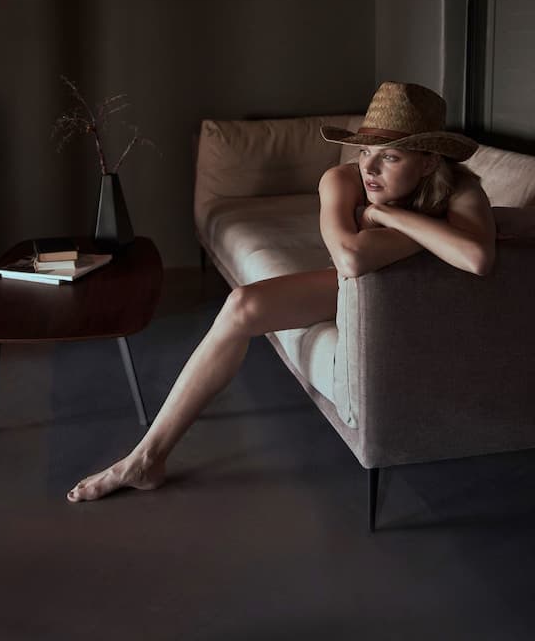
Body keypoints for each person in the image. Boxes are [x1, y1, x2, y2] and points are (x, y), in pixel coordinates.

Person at [66, 81, 495, 503]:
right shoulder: (340, 180)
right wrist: (437, 234)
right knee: (241, 305)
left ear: (428, 162)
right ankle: (146, 458)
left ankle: (145, 460)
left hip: (419, 300)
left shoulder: (460, 189)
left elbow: (477, 258)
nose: (370, 168)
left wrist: (388, 219)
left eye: (390, 156)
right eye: (365, 152)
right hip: (355, 290)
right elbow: (349, 260)